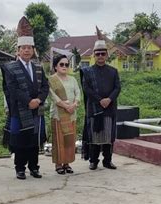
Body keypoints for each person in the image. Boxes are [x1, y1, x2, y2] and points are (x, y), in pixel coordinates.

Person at [1, 16, 49, 180]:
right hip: (20, 110)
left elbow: (45, 86)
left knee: (34, 141)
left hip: (37, 109)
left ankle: (34, 167)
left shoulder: (38, 67)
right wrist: (29, 101)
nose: (27, 50)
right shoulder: (10, 68)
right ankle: (20, 168)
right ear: (18, 50)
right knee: (21, 140)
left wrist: (39, 100)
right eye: (23, 47)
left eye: (29, 47)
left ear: (33, 50)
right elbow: (12, 88)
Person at [80, 27, 121, 171]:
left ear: (107, 55)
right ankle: (93, 161)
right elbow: (86, 89)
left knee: (108, 137)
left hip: (109, 109)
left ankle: (107, 161)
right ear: (94, 55)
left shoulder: (113, 71)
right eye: (98, 54)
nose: (100, 56)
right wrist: (100, 100)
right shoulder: (87, 71)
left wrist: (109, 99)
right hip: (94, 108)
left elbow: (117, 88)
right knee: (95, 137)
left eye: (103, 53)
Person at [48, 55, 80, 174]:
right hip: (58, 114)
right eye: (61, 64)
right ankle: (58, 164)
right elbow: (53, 96)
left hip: (72, 114)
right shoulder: (51, 80)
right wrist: (66, 106)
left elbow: (78, 93)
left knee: (69, 139)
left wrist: (74, 104)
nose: (64, 67)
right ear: (55, 66)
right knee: (59, 140)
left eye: (67, 64)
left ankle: (67, 163)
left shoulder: (72, 79)